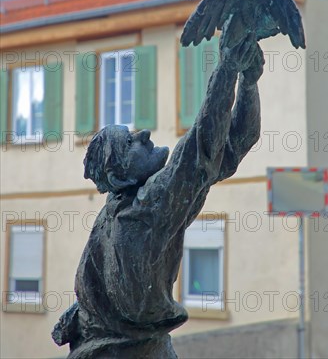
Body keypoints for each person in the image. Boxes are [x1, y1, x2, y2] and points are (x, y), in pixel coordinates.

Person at [52, 30, 264, 359]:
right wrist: (227, 67)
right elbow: (201, 148)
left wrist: (248, 83)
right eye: (130, 142)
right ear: (118, 176)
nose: (144, 134)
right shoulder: (144, 211)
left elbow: (229, 149)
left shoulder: (115, 212)